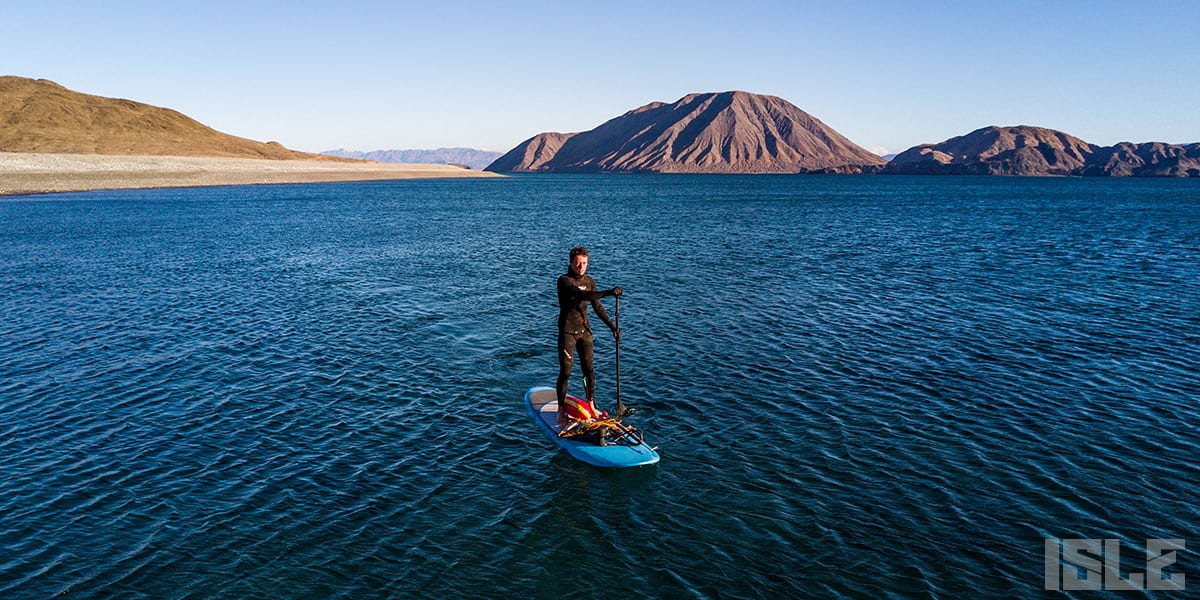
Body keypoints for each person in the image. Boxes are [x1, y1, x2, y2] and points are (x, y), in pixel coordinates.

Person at [556, 246, 621, 428]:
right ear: (570, 263)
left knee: (588, 371)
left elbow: (597, 307)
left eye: (584, 263)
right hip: (567, 332)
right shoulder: (564, 281)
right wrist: (609, 292)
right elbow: (583, 295)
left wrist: (613, 327)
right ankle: (560, 410)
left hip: (584, 331)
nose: (581, 267)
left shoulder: (590, 280)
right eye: (577, 264)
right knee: (566, 371)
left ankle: (591, 404)